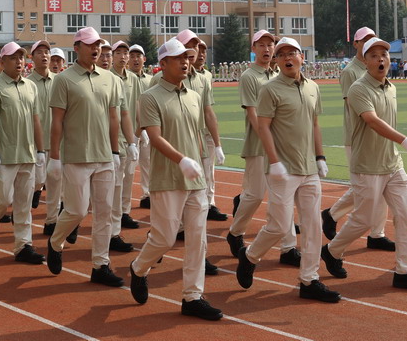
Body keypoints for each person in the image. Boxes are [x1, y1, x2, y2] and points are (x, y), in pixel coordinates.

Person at [320, 38, 407, 292]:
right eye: (374, 55)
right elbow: (371, 120)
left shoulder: (391, 87)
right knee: (363, 220)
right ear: (364, 60)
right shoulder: (359, 89)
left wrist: (399, 147)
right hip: (367, 165)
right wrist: (405, 140)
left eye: (385, 54)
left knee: (405, 216)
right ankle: (332, 250)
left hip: (393, 164)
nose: (381, 59)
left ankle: (405, 270)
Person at [235, 37, 340, 303]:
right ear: (278, 61)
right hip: (283, 170)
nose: (287, 57)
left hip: (308, 169)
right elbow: (263, 127)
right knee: (279, 226)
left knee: (313, 225)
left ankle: (309, 279)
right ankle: (249, 257)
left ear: (302, 57)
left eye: (292, 52)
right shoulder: (270, 89)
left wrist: (320, 156)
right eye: (281, 54)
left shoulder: (313, 87)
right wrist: (274, 161)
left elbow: (315, 124)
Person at [128, 38, 222, 321]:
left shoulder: (193, 96)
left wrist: (205, 158)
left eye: (188, 57)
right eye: (178, 58)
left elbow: (196, 134)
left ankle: (192, 296)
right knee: (164, 238)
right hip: (167, 178)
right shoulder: (150, 96)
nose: (186, 61)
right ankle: (139, 268)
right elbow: (154, 138)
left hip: (195, 180)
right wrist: (182, 160)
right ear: (163, 64)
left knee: (197, 240)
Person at [46, 27, 124, 287]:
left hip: (104, 157)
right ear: (76, 47)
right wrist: (55, 157)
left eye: (99, 45)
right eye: (90, 45)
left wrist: (115, 152)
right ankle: (56, 241)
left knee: (104, 213)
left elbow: (114, 118)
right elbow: (57, 121)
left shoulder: (110, 79)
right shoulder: (64, 80)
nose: (96, 49)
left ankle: (100, 265)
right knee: (77, 211)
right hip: (76, 156)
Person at [226, 30, 299, 265]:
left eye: (270, 45)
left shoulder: (280, 73)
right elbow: (253, 113)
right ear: (254, 48)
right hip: (259, 145)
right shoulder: (250, 76)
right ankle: (235, 232)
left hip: (284, 146)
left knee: (283, 197)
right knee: (255, 195)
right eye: (262, 45)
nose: (267, 49)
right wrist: (270, 143)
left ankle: (288, 248)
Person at [321, 27, 394, 251]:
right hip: (358, 136)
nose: (369, 44)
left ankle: (377, 233)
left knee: (381, 187)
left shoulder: (378, 65)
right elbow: (353, 105)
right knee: (365, 188)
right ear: (355, 44)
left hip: (380, 137)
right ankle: (332, 214)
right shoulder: (351, 72)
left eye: (372, 40)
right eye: (364, 41)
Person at [0, 42, 45, 264]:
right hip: (5, 155)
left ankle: (23, 246)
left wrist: (40, 149)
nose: (19, 62)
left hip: (27, 154)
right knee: (2, 199)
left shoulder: (30, 86)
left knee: (24, 204)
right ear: (2, 62)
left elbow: (36, 119)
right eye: (13, 58)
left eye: (21, 58)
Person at [173, 31, 226, 224]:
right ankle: (174, 223)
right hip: (179, 137)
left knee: (206, 175)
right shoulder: (169, 76)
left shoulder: (204, 78)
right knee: (180, 181)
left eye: (196, 46)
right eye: (189, 46)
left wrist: (217, 143)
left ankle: (207, 207)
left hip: (202, 136)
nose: (194, 51)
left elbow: (208, 112)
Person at [105, 40, 139, 253]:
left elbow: (134, 106)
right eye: (119, 53)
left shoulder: (133, 79)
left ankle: (117, 224)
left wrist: (136, 136)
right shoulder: (107, 78)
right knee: (112, 188)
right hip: (108, 141)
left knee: (125, 181)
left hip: (128, 139)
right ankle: (111, 230)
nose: (123, 56)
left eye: (125, 53)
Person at [27, 40, 56, 233]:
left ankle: (52, 221)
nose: (44, 56)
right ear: (32, 57)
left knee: (56, 185)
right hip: (32, 144)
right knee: (35, 182)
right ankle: (32, 196)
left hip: (55, 143)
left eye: (47, 52)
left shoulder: (59, 81)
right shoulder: (27, 83)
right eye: (40, 52)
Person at [127, 44, 153, 209]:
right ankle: (123, 204)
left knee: (148, 162)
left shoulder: (151, 80)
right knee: (129, 167)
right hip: (130, 130)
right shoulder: (125, 78)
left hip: (149, 129)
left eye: (139, 56)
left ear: (144, 59)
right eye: (133, 56)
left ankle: (147, 194)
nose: (136, 59)